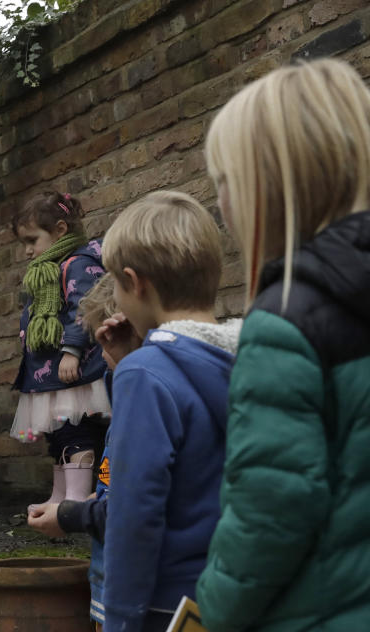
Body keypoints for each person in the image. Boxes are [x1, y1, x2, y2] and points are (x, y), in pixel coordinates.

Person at [196, 58, 370, 631]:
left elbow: (270, 511)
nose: (221, 204)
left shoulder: (285, 320)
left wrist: (212, 614)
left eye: (224, 182)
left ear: (267, 190)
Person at [97, 191, 241, 632]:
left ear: (134, 282)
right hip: (227, 594)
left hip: (163, 606)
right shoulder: (253, 360)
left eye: (116, 289)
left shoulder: (145, 375)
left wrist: (119, 619)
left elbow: (134, 513)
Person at [28, 272, 140, 631]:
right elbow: (112, 479)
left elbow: (133, 507)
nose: (100, 357)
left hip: (131, 593)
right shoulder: (124, 392)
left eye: (103, 344)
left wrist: (69, 517)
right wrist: (82, 502)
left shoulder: (142, 400)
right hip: (109, 587)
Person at [10, 190, 109, 504]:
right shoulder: (45, 272)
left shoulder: (76, 265)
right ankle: (59, 496)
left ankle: (77, 499)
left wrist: (72, 350)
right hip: (49, 375)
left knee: (75, 431)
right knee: (58, 435)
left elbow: (85, 307)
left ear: (61, 230)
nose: (27, 251)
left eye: (32, 240)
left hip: (72, 373)